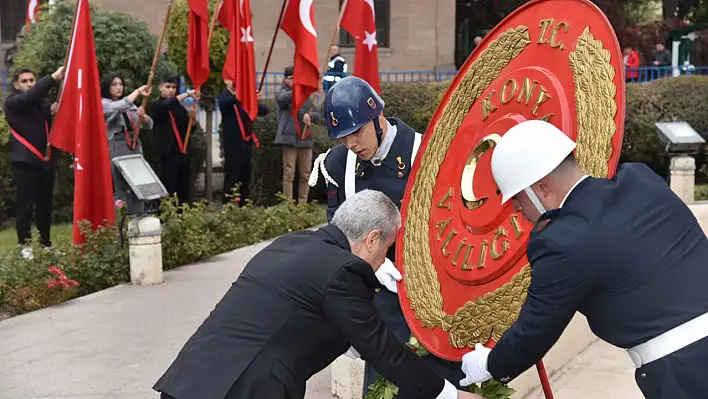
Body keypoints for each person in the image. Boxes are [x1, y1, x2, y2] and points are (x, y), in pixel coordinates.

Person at [458, 120, 708, 399]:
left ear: (541, 188)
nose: (516, 208)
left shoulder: (562, 242)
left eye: (517, 197)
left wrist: (489, 365)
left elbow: (534, 332)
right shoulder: (640, 178)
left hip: (684, 374)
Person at [153, 189, 482, 399]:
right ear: (371, 238)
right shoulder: (343, 273)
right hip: (241, 390)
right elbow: (383, 350)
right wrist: (449, 395)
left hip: (189, 381)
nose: (385, 258)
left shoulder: (291, 243)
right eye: (387, 248)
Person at [308, 76, 465, 398]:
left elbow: (453, 225)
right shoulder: (337, 164)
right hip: (376, 301)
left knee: (439, 380)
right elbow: (337, 233)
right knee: (384, 387)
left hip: (433, 295)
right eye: (343, 137)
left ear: (378, 117)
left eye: (356, 133)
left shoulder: (426, 150)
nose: (351, 144)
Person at [4, 66, 64, 259]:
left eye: (32, 80)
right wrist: (53, 78)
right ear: (16, 85)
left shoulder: (41, 103)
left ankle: (46, 243)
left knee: (45, 204)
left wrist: (52, 110)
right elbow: (30, 97)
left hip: (45, 160)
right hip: (25, 161)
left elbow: (46, 114)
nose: (29, 84)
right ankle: (24, 244)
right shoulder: (13, 102)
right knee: (26, 205)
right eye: (25, 81)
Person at [101, 73, 153, 214]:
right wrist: (137, 92)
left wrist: (144, 118)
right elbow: (116, 107)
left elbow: (149, 125)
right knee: (121, 184)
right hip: (118, 145)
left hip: (135, 145)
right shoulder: (104, 103)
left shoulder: (131, 105)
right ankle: (122, 219)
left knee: (138, 183)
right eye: (114, 85)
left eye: (120, 84)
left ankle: (138, 215)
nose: (118, 88)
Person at [217, 80, 270, 206]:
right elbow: (226, 103)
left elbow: (264, 110)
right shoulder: (224, 96)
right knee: (232, 174)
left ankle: (244, 204)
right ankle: (228, 204)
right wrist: (245, 95)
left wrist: (255, 100)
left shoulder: (245, 100)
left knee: (245, 175)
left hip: (246, 142)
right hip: (232, 143)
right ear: (226, 81)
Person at [148, 75, 199, 205]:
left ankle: (182, 214)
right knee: (168, 186)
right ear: (160, 88)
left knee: (183, 188)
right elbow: (167, 104)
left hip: (181, 151)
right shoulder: (156, 105)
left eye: (174, 87)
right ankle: (165, 214)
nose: (171, 90)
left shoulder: (180, 109)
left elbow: (187, 130)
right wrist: (187, 94)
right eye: (168, 87)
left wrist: (192, 122)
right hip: (166, 153)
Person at [274, 66, 321, 203]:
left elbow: (317, 113)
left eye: (296, 78)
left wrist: (310, 117)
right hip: (289, 138)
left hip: (305, 138)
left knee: (305, 174)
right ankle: (287, 204)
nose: (294, 81)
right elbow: (282, 100)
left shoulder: (306, 96)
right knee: (289, 173)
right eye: (291, 78)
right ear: (285, 79)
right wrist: (298, 89)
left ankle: (302, 203)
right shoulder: (284, 92)